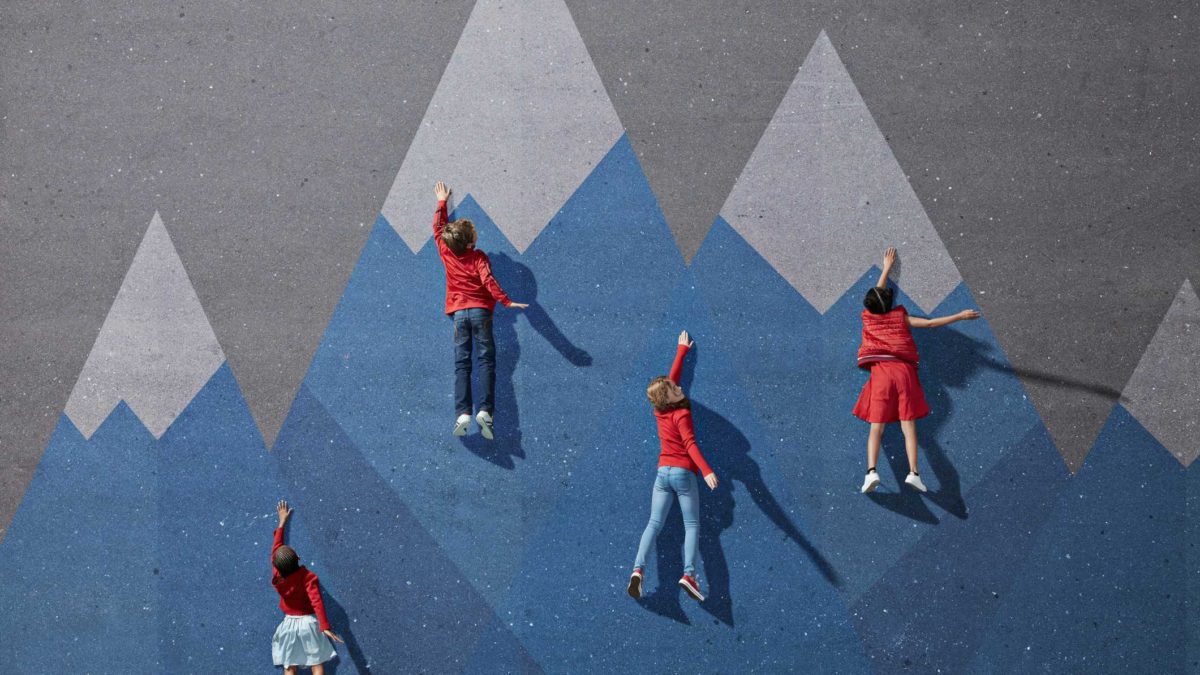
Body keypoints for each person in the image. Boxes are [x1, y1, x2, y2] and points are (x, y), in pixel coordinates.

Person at [855, 248, 979, 494]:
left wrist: (886, 268)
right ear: (889, 305)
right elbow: (931, 324)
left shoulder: (868, 318)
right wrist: (960, 316)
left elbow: (878, 293)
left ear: (870, 306)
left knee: (876, 427)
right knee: (908, 426)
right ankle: (913, 473)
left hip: (881, 375)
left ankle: (871, 472)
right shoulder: (902, 319)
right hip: (904, 374)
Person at [432, 181, 529, 440]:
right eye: (473, 234)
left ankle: (462, 413)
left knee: (462, 364)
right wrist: (507, 301)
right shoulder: (478, 257)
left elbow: (438, 228)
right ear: (470, 243)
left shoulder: (445, 251)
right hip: (481, 314)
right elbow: (488, 281)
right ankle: (485, 411)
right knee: (486, 361)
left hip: (459, 315)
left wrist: (442, 202)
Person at [628, 330, 719, 603]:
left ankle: (637, 570)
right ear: (669, 398)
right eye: (674, 389)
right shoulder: (682, 414)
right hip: (682, 473)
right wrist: (706, 470)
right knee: (692, 525)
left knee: (654, 523)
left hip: (662, 474)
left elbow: (672, 378)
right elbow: (690, 444)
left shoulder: (660, 409)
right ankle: (689, 575)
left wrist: (681, 352)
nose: (678, 387)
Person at [271, 500, 343, 674]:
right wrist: (324, 626)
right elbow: (316, 602)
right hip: (308, 624)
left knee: (290, 664)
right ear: (298, 558)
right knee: (316, 663)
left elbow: (276, 548)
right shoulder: (308, 578)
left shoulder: (277, 575)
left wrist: (281, 523)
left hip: (289, 624)